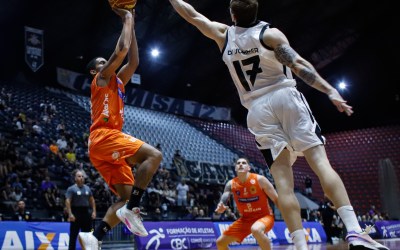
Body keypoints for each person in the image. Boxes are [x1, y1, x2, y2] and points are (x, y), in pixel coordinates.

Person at [168, 1, 388, 249]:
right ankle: (355, 231)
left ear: (231, 13)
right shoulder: (269, 34)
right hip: (286, 98)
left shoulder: (223, 35)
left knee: (284, 183)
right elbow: (299, 65)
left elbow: (192, 15)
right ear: (257, 11)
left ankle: (299, 245)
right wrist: (330, 90)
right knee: (320, 164)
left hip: (257, 111)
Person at [78, 7, 162, 250]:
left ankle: (95, 236)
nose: (107, 63)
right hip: (105, 136)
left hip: (102, 147)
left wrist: (133, 22)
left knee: (124, 197)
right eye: (103, 63)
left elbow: (133, 60)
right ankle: (133, 209)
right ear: (96, 71)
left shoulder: (117, 82)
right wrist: (126, 17)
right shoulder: (102, 78)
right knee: (153, 155)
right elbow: (122, 50)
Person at [214, 157, 278, 250]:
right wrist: (221, 204)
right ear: (235, 168)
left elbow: (276, 199)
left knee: (256, 230)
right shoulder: (231, 184)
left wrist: (287, 217)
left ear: (248, 167)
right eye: (238, 163)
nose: (240, 164)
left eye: (244, 163)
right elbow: (225, 195)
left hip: (264, 216)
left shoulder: (260, 180)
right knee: (220, 243)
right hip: (245, 220)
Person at [65, 170, 96, 250]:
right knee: (73, 236)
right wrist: (70, 214)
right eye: (79, 176)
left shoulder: (87, 188)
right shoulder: (71, 189)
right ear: (75, 178)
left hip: (86, 213)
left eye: (82, 176)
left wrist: (94, 211)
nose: (81, 178)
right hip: (76, 213)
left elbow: (92, 200)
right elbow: (68, 201)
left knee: (87, 236)